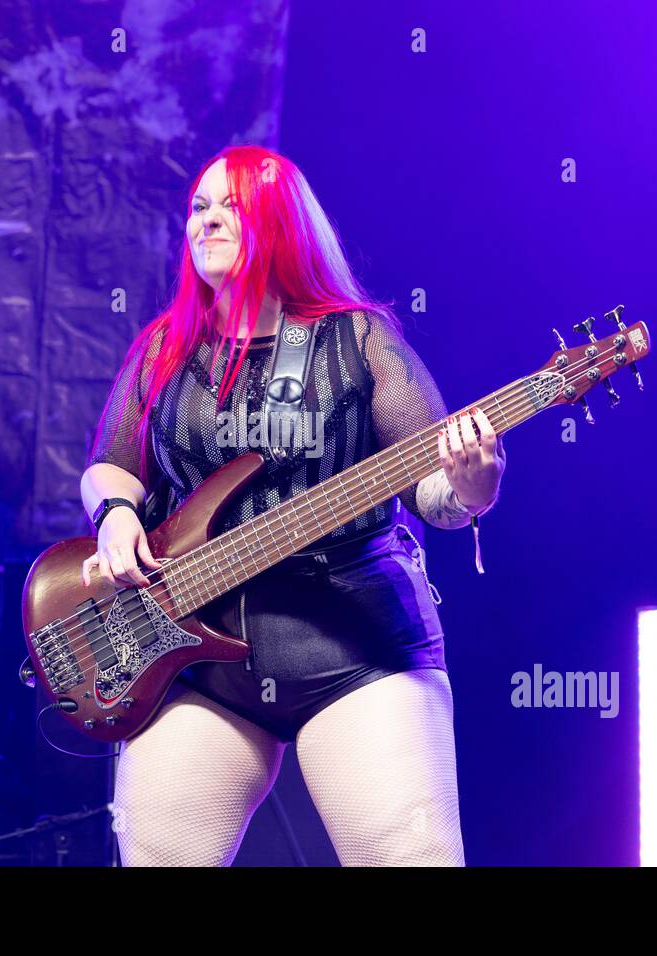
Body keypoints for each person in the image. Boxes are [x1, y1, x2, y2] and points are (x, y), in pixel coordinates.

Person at [81, 145, 504, 866]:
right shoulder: (165, 348)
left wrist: (474, 483)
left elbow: (434, 495)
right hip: (197, 661)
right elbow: (110, 468)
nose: (207, 222)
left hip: (357, 651)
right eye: (199, 208)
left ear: (279, 222)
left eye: (231, 207)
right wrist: (115, 515)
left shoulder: (358, 338)